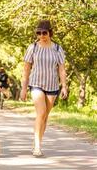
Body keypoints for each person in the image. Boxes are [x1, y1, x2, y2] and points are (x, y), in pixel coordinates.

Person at [20, 20, 68, 157]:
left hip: (52, 85)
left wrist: (64, 86)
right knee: (41, 113)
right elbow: (26, 69)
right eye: (38, 33)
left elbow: (62, 70)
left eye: (44, 33)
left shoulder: (58, 49)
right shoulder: (33, 47)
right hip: (36, 84)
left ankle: (38, 142)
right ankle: (37, 146)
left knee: (45, 117)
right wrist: (24, 88)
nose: (41, 35)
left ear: (50, 32)